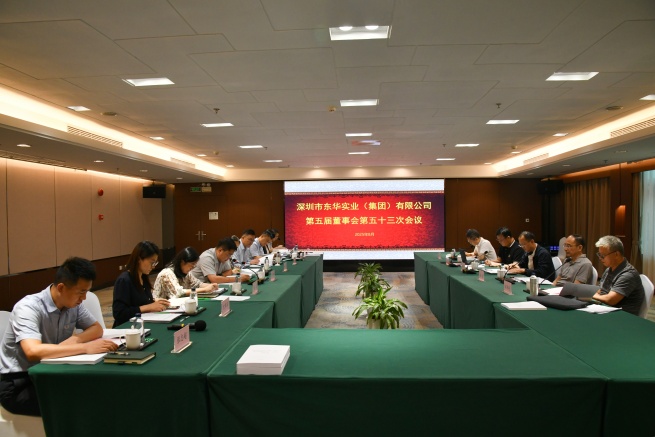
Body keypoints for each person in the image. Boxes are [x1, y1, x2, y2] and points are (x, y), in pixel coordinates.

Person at [0, 257, 118, 416]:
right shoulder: (28, 307)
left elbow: (96, 329)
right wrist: (84, 348)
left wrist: (74, 340)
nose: (84, 298)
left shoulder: (73, 305)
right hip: (19, 383)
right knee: (83, 402)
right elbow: (32, 351)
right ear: (61, 287)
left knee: (102, 388)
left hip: (50, 374)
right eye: (81, 292)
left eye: (86, 292)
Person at [112, 241, 169, 327]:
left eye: (155, 263)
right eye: (152, 262)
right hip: (127, 328)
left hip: (142, 324)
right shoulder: (124, 280)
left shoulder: (143, 277)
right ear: (139, 259)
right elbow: (119, 313)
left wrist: (154, 301)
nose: (153, 266)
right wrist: (149, 307)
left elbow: (139, 301)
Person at [592, 235, 644, 316]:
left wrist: (591, 295)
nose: (600, 258)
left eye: (603, 255)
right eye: (599, 255)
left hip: (623, 315)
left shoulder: (628, 274)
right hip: (606, 309)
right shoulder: (609, 269)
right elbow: (600, 290)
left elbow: (610, 300)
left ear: (616, 254)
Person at [152, 247, 219, 300]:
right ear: (182, 262)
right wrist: (205, 290)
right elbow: (179, 293)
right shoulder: (167, 273)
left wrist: (211, 286)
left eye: (195, 265)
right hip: (161, 309)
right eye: (192, 264)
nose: (193, 267)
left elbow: (197, 284)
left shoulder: (187, 273)